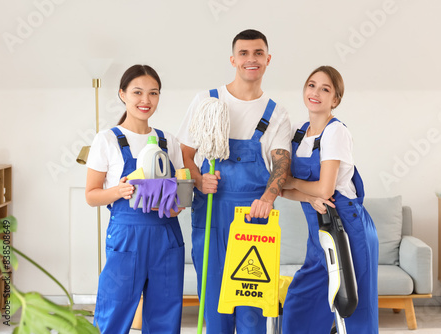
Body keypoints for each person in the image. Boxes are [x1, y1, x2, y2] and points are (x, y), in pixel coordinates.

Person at [177, 29, 291, 333]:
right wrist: (200, 180)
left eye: (257, 53)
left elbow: (281, 164)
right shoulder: (207, 101)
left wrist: (267, 199)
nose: (250, 59)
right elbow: (184, 154)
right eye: (243, 53)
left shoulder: (276, 114)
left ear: (268, 59)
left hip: (254, 217)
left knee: (252, 308)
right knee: (216, 306)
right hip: (212, 213)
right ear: (233, 59)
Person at [85, 64, 185, 334]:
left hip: (166, 236)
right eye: (137, 92)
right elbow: (92, 196)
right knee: (113, 312)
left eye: (153, 93)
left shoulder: (167, 141)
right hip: (126, 237)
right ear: (122, 94)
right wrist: (119, 191)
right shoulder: (106, 140)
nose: (145, 100)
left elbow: (180, 199)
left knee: (165, 313)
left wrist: (175, 206)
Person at [280, 66, 379, 333]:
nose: (316, 93)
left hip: (347, 228)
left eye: (326, 89)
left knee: (354, 308)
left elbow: (325, 190)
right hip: (318, 231)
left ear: (335, 100)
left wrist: (293, 184)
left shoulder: (335, 132)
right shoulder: (298, 134)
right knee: (300, 302)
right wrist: (305, 196)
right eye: (312, 85)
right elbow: (281, 189)